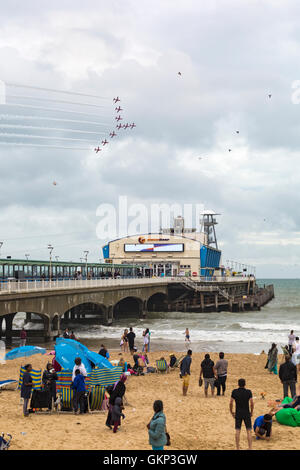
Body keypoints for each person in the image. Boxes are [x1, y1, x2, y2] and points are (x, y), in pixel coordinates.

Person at [230, 378, 254, 450]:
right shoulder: (248, 392)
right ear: (245, 384)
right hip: (246, 412)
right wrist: (251, 412)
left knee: (237, 430)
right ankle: (250, 447)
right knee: (248, 430)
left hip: (238, 412)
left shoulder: (234, 392)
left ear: (238, 384)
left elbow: (231, 402)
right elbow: (251, 403)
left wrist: (231, 411)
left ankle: (237, 448)